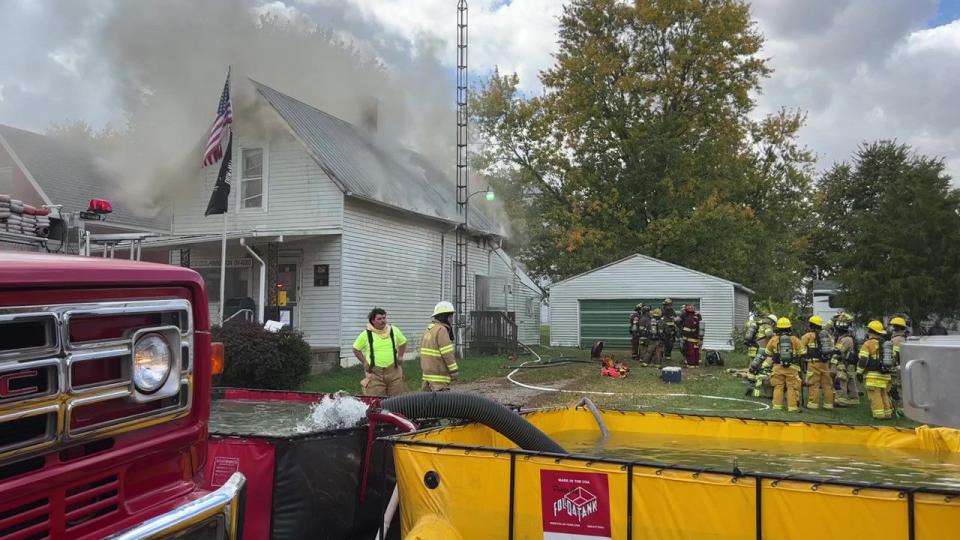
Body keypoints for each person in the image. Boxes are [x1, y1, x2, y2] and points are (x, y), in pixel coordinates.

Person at [352, 307, 407, 396]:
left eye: (384, 318)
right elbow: (356, 349)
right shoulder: (366, 334)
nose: (383, 321)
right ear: (373, 321)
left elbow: (403, 342)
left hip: (394, 371)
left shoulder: (393, 330)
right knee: (377, 401)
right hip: (374, 374)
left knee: (397, 400)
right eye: (379, 319)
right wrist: (364, 362)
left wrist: (400, 356)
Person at [760, 317, 806, 412]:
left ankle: (777, 406)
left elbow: (768, 352)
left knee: (778, 387)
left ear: (778, 328)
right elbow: (803, 352)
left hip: (777, 367)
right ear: (789, 328)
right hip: (792, 367)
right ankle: (792, 407)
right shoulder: (794, 339)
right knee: (791, 387)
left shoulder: (774, 339)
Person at [857, 320, 894, 420]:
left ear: (870, 331)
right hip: (885, 374)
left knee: (875, 395)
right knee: (884, 394)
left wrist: (859, 372)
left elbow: (863, 360)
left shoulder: (868, 344)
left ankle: (879, 415)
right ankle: (888, 413)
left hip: (873, 376)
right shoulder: (885, 344)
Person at [420, 301, 460, 391]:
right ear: (444, 317)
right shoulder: (441, 330)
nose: (451, 319)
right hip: (438, 380)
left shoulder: (429, 329)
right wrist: (454, 371)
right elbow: (447, 354)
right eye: (450, 316)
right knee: (442, 405)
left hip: (427, 379)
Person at [801, 315, 835, 409]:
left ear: (811, 325)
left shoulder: (807, 336)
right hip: (825, 363)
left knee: (813, 384)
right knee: (827, 384)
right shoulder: (827, 335)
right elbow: (832, 347)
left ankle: (813, 404)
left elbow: (801, 350)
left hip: (813, 363)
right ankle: (828, 405)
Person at [832, 314, 860, 406]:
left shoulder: (845, 339)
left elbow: (838, 351)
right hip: (850, 365)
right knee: (851, 382)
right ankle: (854, 399)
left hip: (844, 364)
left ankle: (841, 400)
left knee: (841, 382)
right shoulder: (848, 337)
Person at [888, 316, 909, 415]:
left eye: (894, 326)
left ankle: (901, 408)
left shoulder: (897, 339)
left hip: (898, 366)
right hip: (902, 365)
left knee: (898, 387)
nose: (892, 328)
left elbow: (895, 354)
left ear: (898, 327)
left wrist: (890, 365)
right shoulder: (902, 337)